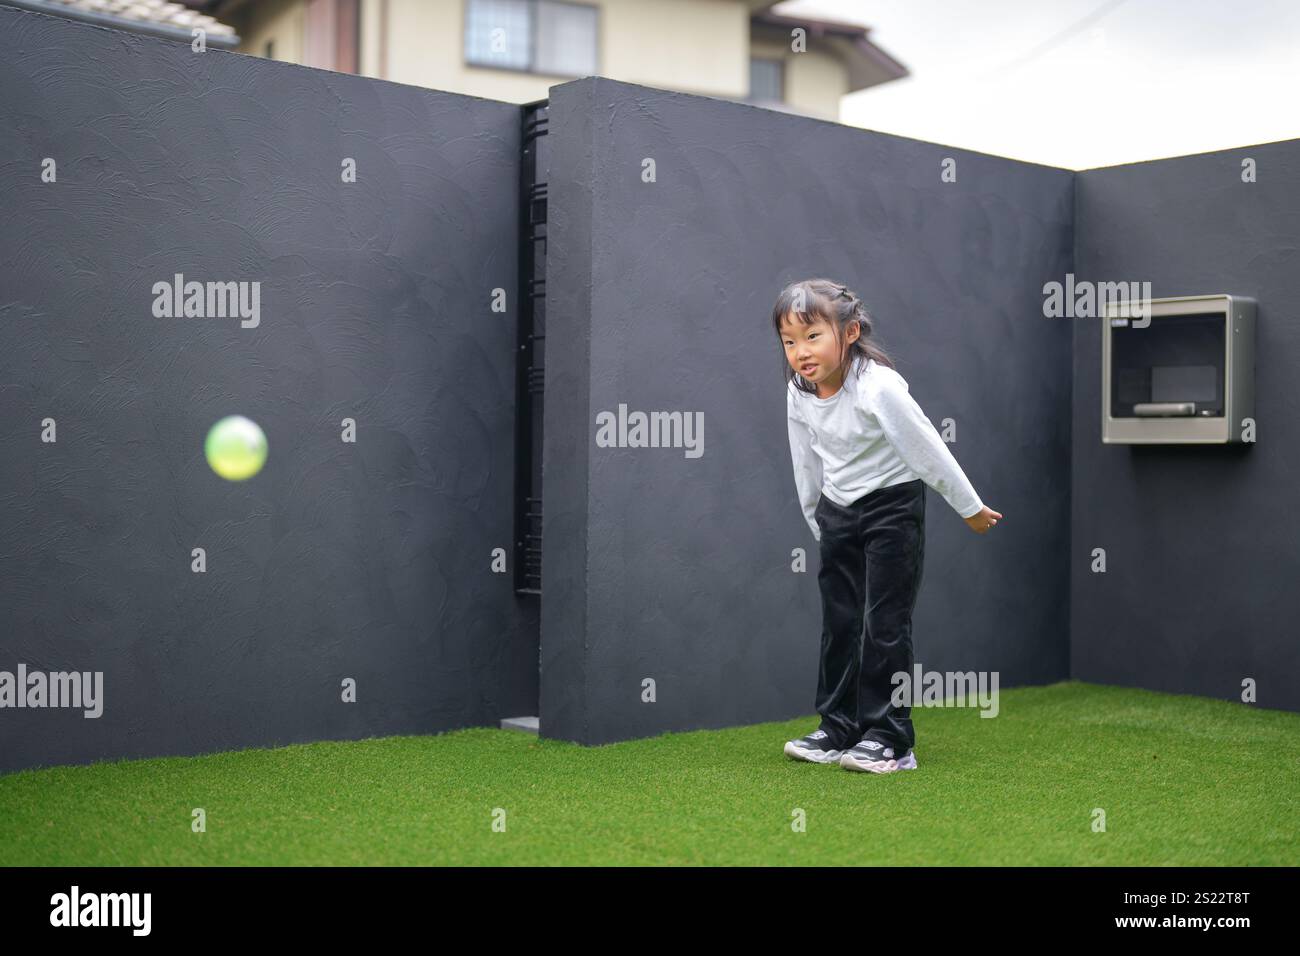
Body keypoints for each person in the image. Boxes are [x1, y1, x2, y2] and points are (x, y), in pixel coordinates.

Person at [775, 278, 1001, 774]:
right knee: (840, 622)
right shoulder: (800, 391)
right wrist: (818, 518)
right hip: (838, 510)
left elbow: (925, 445)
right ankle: (838, 728)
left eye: (812, 336)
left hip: (892, 510)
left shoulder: (877, 386)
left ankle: (890, 738)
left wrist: (969, 507)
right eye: (789, 341)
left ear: (850, 331)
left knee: (884, 624)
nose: (800, 352)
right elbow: (805, 460)